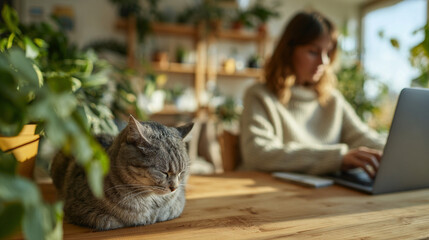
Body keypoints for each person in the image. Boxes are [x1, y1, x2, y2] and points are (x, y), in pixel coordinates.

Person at [239, 11, 385, 178]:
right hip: (269, 194)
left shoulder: (332, 99)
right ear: (289, 51)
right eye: (313, 52)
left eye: (328, 53)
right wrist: (337, 158)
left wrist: (397, 148)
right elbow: (258, 154)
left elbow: (362, 137)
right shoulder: (259, 96)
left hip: (322, 196)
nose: (323, 62)